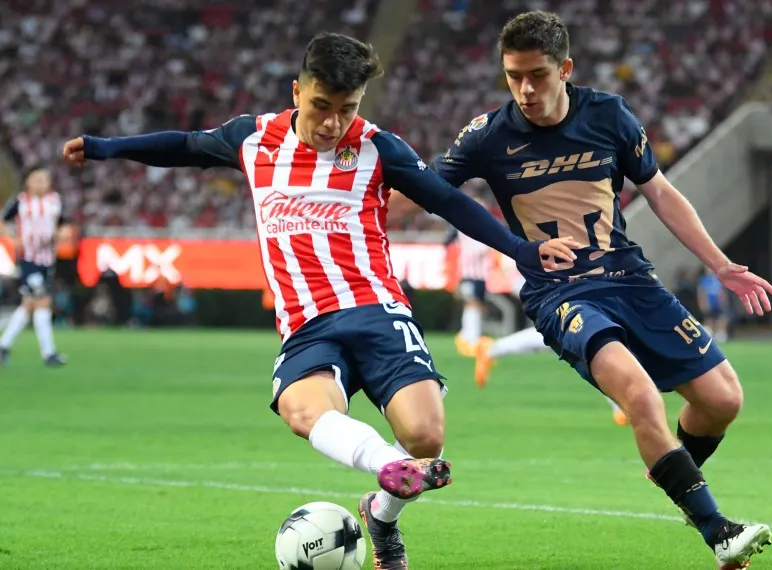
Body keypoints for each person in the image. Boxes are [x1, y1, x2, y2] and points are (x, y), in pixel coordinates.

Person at [62, 32, 576, 570]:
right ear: (297, 92)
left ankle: (380, 515)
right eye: (321, 107)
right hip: (307, 323)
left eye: (347, 109)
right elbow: (186, 146)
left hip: (377, 309)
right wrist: (104, 147)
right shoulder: (253, 139)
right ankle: (385, 466)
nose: (333, 123)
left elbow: (448, 202)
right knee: (301, 409)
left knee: (426, 437)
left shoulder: (380, 147)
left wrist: (521, 249)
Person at [432, 11, 772, 569]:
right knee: (639, 396)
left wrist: (722, 265)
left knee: (722, 399)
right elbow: (431, 188)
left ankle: (670, 466)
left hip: (629, 278)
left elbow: (660, 193)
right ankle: (718, 532)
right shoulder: (488, 136)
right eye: (513, 76)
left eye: (538, 75)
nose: (525, 89)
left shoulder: (608, 115)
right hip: (560, 294)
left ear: (565, 68)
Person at [474, 278, 629, 426]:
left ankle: (493, 349)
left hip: (567, 290)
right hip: (563, 290)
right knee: (583, 345)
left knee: (572, 343)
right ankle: (620, 405)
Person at [0, 166, 70, 367]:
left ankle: (3, 345)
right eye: (36, 178)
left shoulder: (54, 202)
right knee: (42, 300)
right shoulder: (20, 202)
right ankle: (48, 354)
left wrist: (62, 233)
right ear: (28, 181)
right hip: (28, 259)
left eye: (43, 179)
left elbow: (65, 224)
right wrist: (13, 239)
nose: (40, 182)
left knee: (29, 304)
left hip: (47, 259)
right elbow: (3, 222)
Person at [444, 224, 492, 356]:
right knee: (472, 304)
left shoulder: (479, 231)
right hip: (468, 275)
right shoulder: (466, 232)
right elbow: (479, 250)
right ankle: (469, 338)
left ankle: (469, 336)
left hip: (481, 276)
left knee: (478, 306)